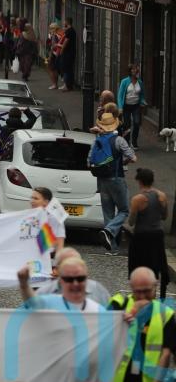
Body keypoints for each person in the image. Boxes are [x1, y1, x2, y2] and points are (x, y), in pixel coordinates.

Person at [108, 267, 175, 382]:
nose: (143, 296)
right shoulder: (118, 305)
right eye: (138, 291)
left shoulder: (166, 315)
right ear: (131, 287)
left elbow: (166, 353)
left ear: (155, 286)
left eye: (147, 291)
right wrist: (118, 322)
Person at [90, 112, 137, 254]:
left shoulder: (96, 141)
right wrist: (125, 161)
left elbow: (89, 161)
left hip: (102, 181)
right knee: (124, 210)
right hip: (117, 179)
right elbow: (133, 158)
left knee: (108, 213)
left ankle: (112, 248)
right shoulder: (119, 140)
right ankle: (108, 230)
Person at [128, 168, 170, 299]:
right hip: (157, 235)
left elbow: (131, 222)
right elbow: (164, 216)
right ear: (152, 180)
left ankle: (138, 291)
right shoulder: (162, 196)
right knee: (155, 263)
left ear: (139, 181)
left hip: (141, 236)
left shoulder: (137, 199)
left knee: (138, 263)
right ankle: (154, 291)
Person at [17, 257, 104, 312]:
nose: (75, 283)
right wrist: (24, 284)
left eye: (80, 278)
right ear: (60, 281)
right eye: (69, 279)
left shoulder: (99, 311)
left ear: (87, 279)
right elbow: (33, 303)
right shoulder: (50, 302)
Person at [35, 247, 111, 305]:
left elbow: (111, 315)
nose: (75, 283)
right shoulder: (43, 293)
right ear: (57, 269)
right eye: (67, 265)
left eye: (76, 263)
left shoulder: (97, 289)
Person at [28, 186, 66, 255]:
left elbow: (60, 241)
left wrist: (58, 262)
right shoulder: (30, 215)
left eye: (36, 198)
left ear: (46, 202)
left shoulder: (54, 217)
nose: (32, 201)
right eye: (31, 198)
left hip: (47, 257)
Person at [117, 64, 146, 149]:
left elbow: (142, 95)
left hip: (136, 106)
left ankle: (134, 142)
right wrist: (120, 107)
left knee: (137, 123)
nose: (135, 71)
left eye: (136, 69)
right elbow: (120, 95)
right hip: (126, 106)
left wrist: (143, 101)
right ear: (130, 71)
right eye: (133, 69)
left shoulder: (140, 82)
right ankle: (126, 142)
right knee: (127, 124)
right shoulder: (124, 81)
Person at [58, 17, 76, 91]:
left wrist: (61, 50)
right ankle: (68, 85)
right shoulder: (72, 31)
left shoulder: (69, 31)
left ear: (67, 22)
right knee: (69, 69)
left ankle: (67, 85)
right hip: (71, 52)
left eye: (65, 21)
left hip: (68, 53)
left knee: (66, 69)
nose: (64, 23)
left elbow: (66, 41)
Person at [46, 22, 63, 90]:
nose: (50, 29)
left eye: (51, 28)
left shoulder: (54, 35)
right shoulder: (58, 35)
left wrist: (50, 55)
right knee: (53, 69)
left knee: (51, 69)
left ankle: (54, 84)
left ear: (55, 29)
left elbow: (53, 46)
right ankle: (55, 84)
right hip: (56, 54)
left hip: (54, 54)